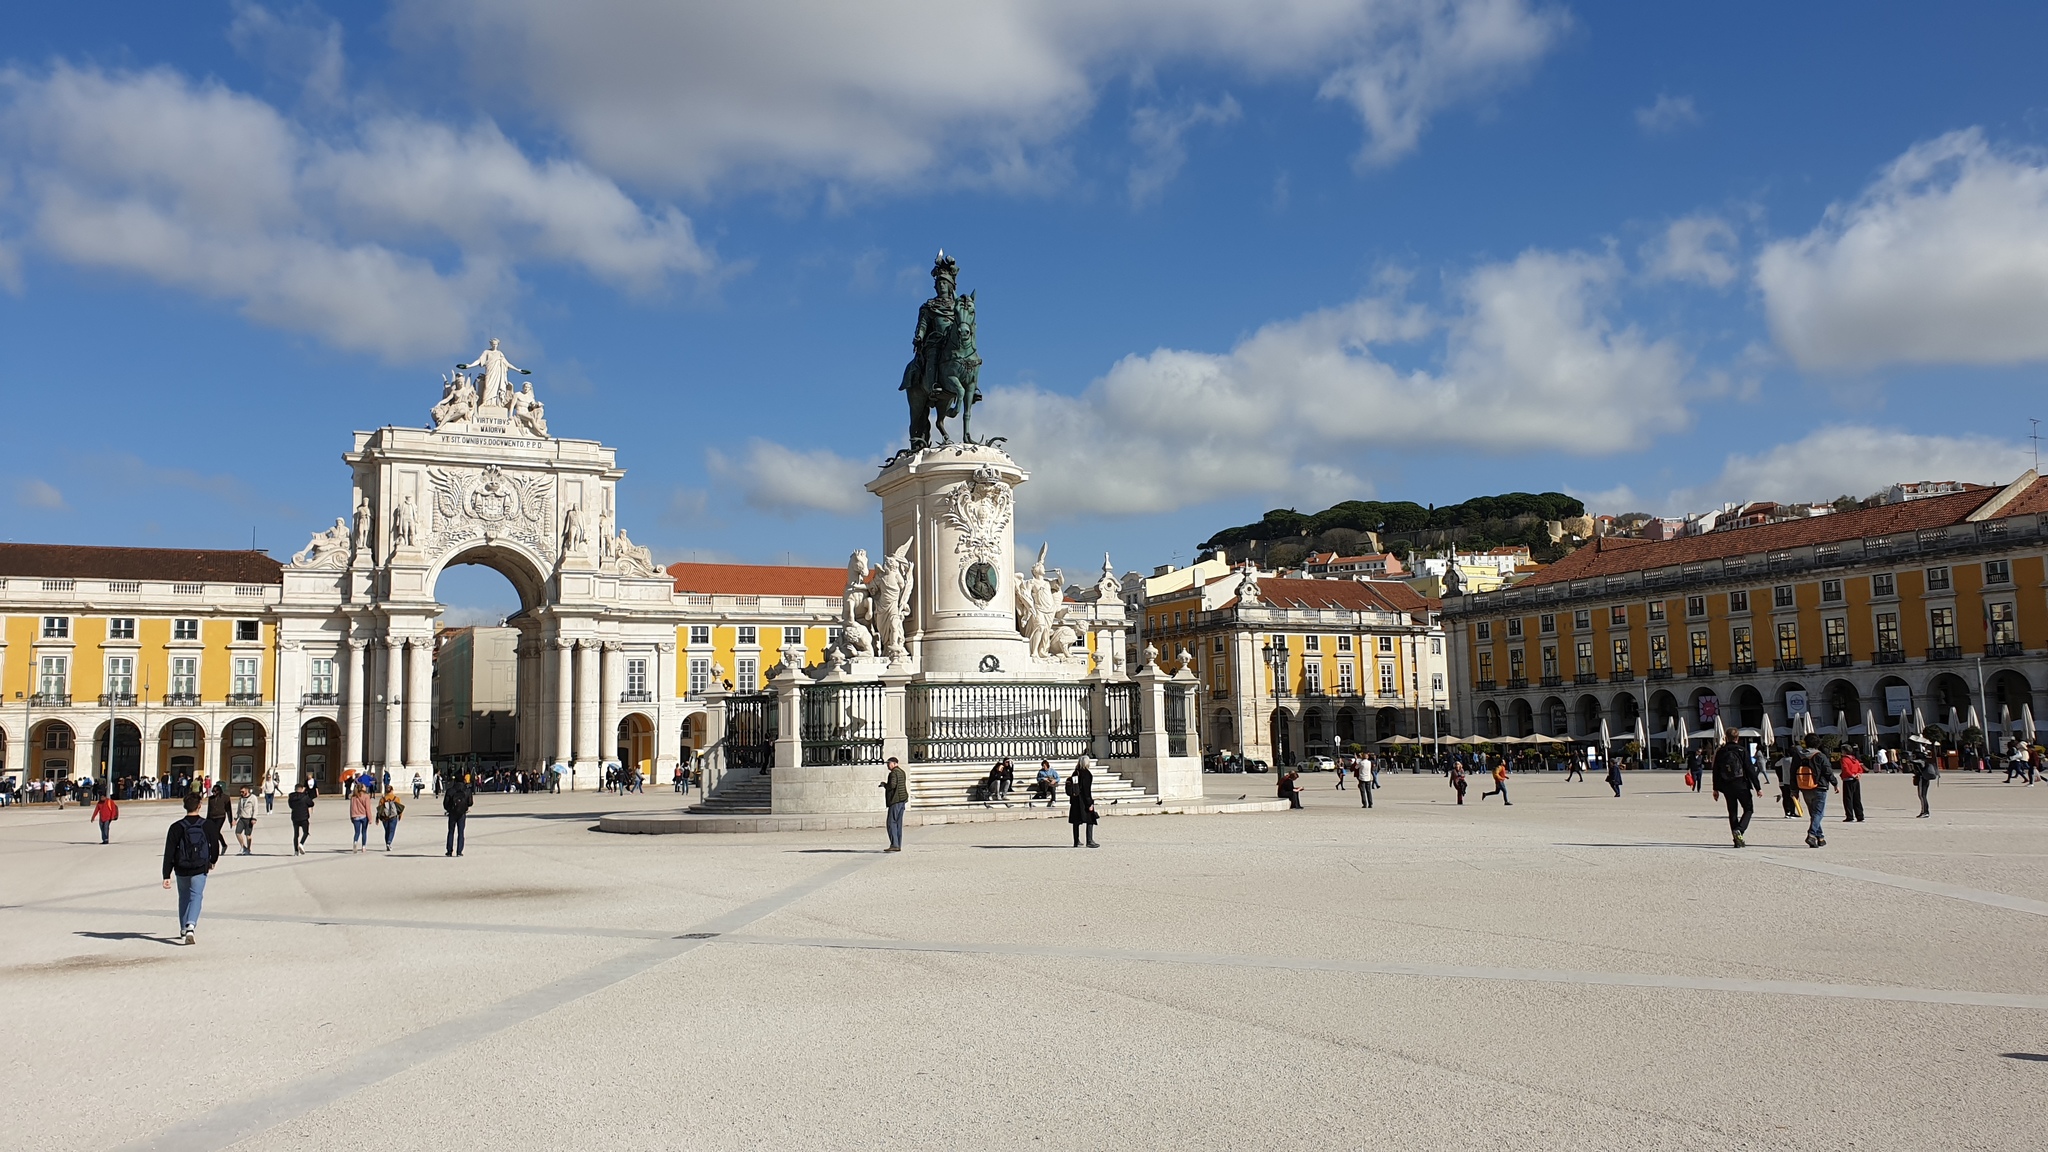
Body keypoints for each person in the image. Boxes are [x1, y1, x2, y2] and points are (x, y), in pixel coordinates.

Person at [161, 793, 218, 945]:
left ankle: (182, 929)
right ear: (200, 805)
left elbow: (169, 852)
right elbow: (215, 845)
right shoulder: (207, 825)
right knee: (196, 896)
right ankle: (191, 926)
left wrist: (166, 874)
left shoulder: (176, 827)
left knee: (184, 897)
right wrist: (212, 861)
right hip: (200, 866)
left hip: (181, 867)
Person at [1710, 729, 1760, 847]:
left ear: (1726, 737)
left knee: (1732, 812)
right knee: (1748, 809)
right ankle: (1740, 830)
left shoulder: (1721, 751)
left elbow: (1716, 771)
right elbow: (1750, 769)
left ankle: (1736, 840)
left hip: (1727, 785)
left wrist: (1715, 788)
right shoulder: (1742, 750)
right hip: (1742, 784)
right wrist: (1758, 787)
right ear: (1737, 738)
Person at [1796, 742, 1837, 848]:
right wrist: (1835, 783)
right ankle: (1812, 834)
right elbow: (1828, 771)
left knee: (1814, 814)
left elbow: (1793, 772)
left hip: (1805, 787)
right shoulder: (1820, 756)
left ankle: (1820, 837)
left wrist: (1794, 790)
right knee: (1818, 813)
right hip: (1819, 787)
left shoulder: (1799, 755)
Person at [1067, 756, 1099, 848]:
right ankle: (1089, 840)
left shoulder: (1075, 773)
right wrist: (1090, 802)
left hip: (1075, 799)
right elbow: (1086, 790)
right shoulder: (1086, 774)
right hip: (1083, 800)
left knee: (1076, 821)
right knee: (1090, 819)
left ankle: (1076, 841)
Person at [879, 757, 908, 852]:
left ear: (894, 763)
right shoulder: (902, 772)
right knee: (898, 824)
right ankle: (897, 844)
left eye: (889, 763)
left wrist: (884, 785)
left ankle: (894, 844)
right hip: (902, 800)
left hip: (895, 800)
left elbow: (892, 785)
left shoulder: (893, 773)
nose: (888, 765)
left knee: (891, 823)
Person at [443, 772, 474, 856]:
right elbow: (470, 802)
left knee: (451, 832)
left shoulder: (450, 790)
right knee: (461, 832)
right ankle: (459, 851)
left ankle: (449, 851)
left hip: (452, 813)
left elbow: (445, 804)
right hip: (462, 813)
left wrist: (450, 809)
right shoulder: (467, 790)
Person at [204, 784, 231, 862]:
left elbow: (228, 809)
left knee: (215, 831)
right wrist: (207, 819)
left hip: (221, 816)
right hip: (212, 817)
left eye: (215, 791)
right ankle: (224, 845)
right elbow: (209, 809)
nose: (214, 793)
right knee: (214, 832)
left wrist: (230, 820)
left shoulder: (225, 797)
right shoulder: (211, 798)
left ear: (219, 791)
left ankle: (218, 847)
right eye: (213, 791)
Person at [288, 782, 315, 855]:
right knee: (305, 832)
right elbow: (311, 803)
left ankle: (296, 851)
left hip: (295, 817)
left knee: (296, 834)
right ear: (302, 789)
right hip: (304, 817)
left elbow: (290, 806)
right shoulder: (305, 797)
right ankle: (301, 844)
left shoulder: (291, 797)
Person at [1839, 750, 1866, 823]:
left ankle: (1849, 816)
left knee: (1848, 798)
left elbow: (1845, 769)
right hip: (1856, 780)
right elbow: (1860, 769)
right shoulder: (1855, 759)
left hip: (1848, 780)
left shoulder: (1844, 759)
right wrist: (1858, 774)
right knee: (1857, 798)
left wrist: (1851, 775)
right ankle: (1860, 816)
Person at [233, 785, 258, 855]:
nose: (241, 793)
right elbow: (238, 809)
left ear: (247, 790)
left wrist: (254, 818)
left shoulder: (253, 798)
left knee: (248, 835)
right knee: (237, 832)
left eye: (243, 791)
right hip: (241, 818)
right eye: (240, 792)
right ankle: (243, 846)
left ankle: (248, 849)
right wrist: (235, 819)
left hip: (249, 818)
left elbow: (255, 809)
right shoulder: (241, 798)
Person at [349, 784, 373, 853]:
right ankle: (363, 847)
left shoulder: (353, 797)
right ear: (362, 788)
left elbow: (351, 808)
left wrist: (351, 816)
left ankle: (355, 842)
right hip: (364, 816)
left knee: (357, 832)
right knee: (364, 832)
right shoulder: (366, 796)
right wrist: (370, 818)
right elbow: (367, 808)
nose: (366, 787)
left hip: (355, 816)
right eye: (364, 786)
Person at [1914, 752, 1939, 817]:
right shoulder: (1925, 761)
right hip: (1926, 779)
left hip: (1922, 779)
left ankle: (1925, 811)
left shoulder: (1920, 761)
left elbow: (1912, 761)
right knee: (1923, 796)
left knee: (1922, 796)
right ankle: (1925, 811)